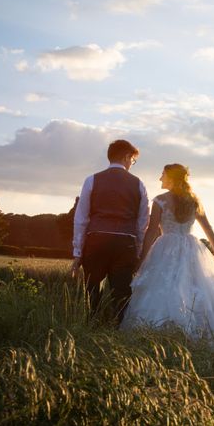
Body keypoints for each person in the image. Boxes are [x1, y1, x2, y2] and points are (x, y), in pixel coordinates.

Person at [120, 163, 214, 347]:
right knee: (193, 288)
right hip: (191, 247)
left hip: (165, 247)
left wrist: (142, 258)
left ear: (171, 177)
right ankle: (196, 337)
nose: (160, 178)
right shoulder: (193, 200)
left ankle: (159, 336)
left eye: (163, 174)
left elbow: (152, 231)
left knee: (164, 288)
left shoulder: (160, 200)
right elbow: (208, 228)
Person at [69, 139, 149, 324]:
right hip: (125, 243)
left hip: (96, 241)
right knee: (121, 294)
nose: (132, 164)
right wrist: (137, 249)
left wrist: (78, 251)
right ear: (126, 156)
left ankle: (91, 326)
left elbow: (81, 219)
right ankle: (118, 331)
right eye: (133, 160)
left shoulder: (91, 180)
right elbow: (142, 221)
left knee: (92, 289)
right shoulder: (139, 184)